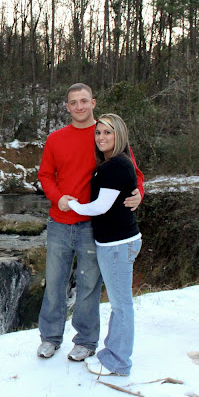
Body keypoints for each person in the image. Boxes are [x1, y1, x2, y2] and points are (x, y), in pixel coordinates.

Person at [36, 83, 144, 361]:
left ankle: (85, 341)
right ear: (67, 107)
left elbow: (132, 172)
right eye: (73, 102)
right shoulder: (56, 139)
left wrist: (138, 194)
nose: (79, 106)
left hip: (93, 227)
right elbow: (45, 175)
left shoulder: (107, 133)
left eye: (84, 100)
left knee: (88, 287)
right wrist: (58, 197)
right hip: (60, 223)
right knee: (54, 284)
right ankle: (50, 337)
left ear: (93, 102)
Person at [67, 114, 142, 376]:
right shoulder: (113, 163)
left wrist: (71, 204)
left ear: (119, 135)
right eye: (98, 133)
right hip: (115, 242)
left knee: (121, 305)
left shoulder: (116, 165)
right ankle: (112, 354)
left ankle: (119, 362)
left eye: (107, 132)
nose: (101, 137)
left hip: (117, 244)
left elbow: (101, 206)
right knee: (119, 304)